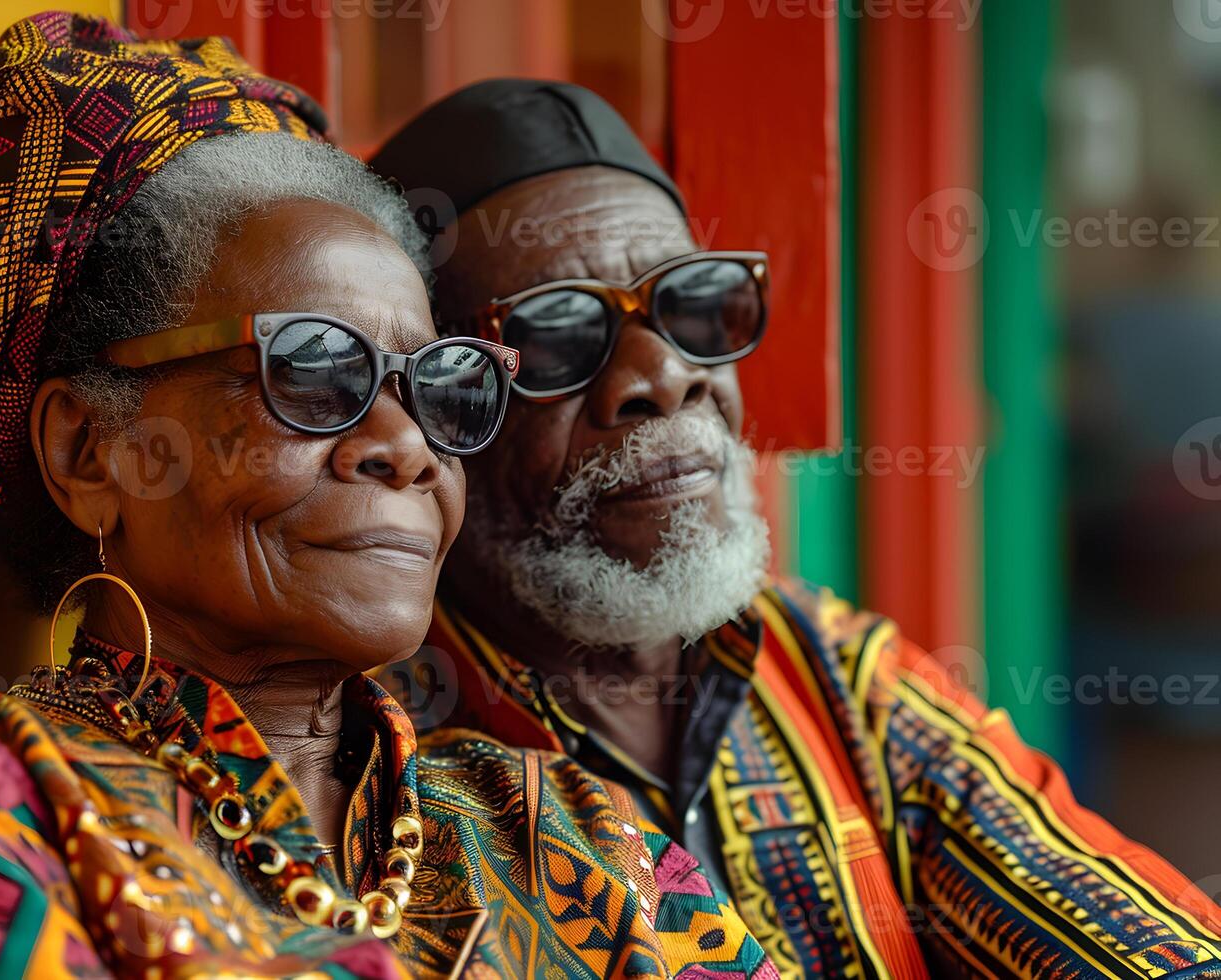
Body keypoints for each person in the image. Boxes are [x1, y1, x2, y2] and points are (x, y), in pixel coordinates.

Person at [0, 23, 776, 979]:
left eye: (441, 385)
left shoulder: (564, 830)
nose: (405, 447)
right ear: (89, 450)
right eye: (316, 371)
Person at [370, 78, 1221, 978]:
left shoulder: (834, 675)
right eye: (553, 336)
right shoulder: (380, 758)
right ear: (438, 406)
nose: (665, 375)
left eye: (692, 305)